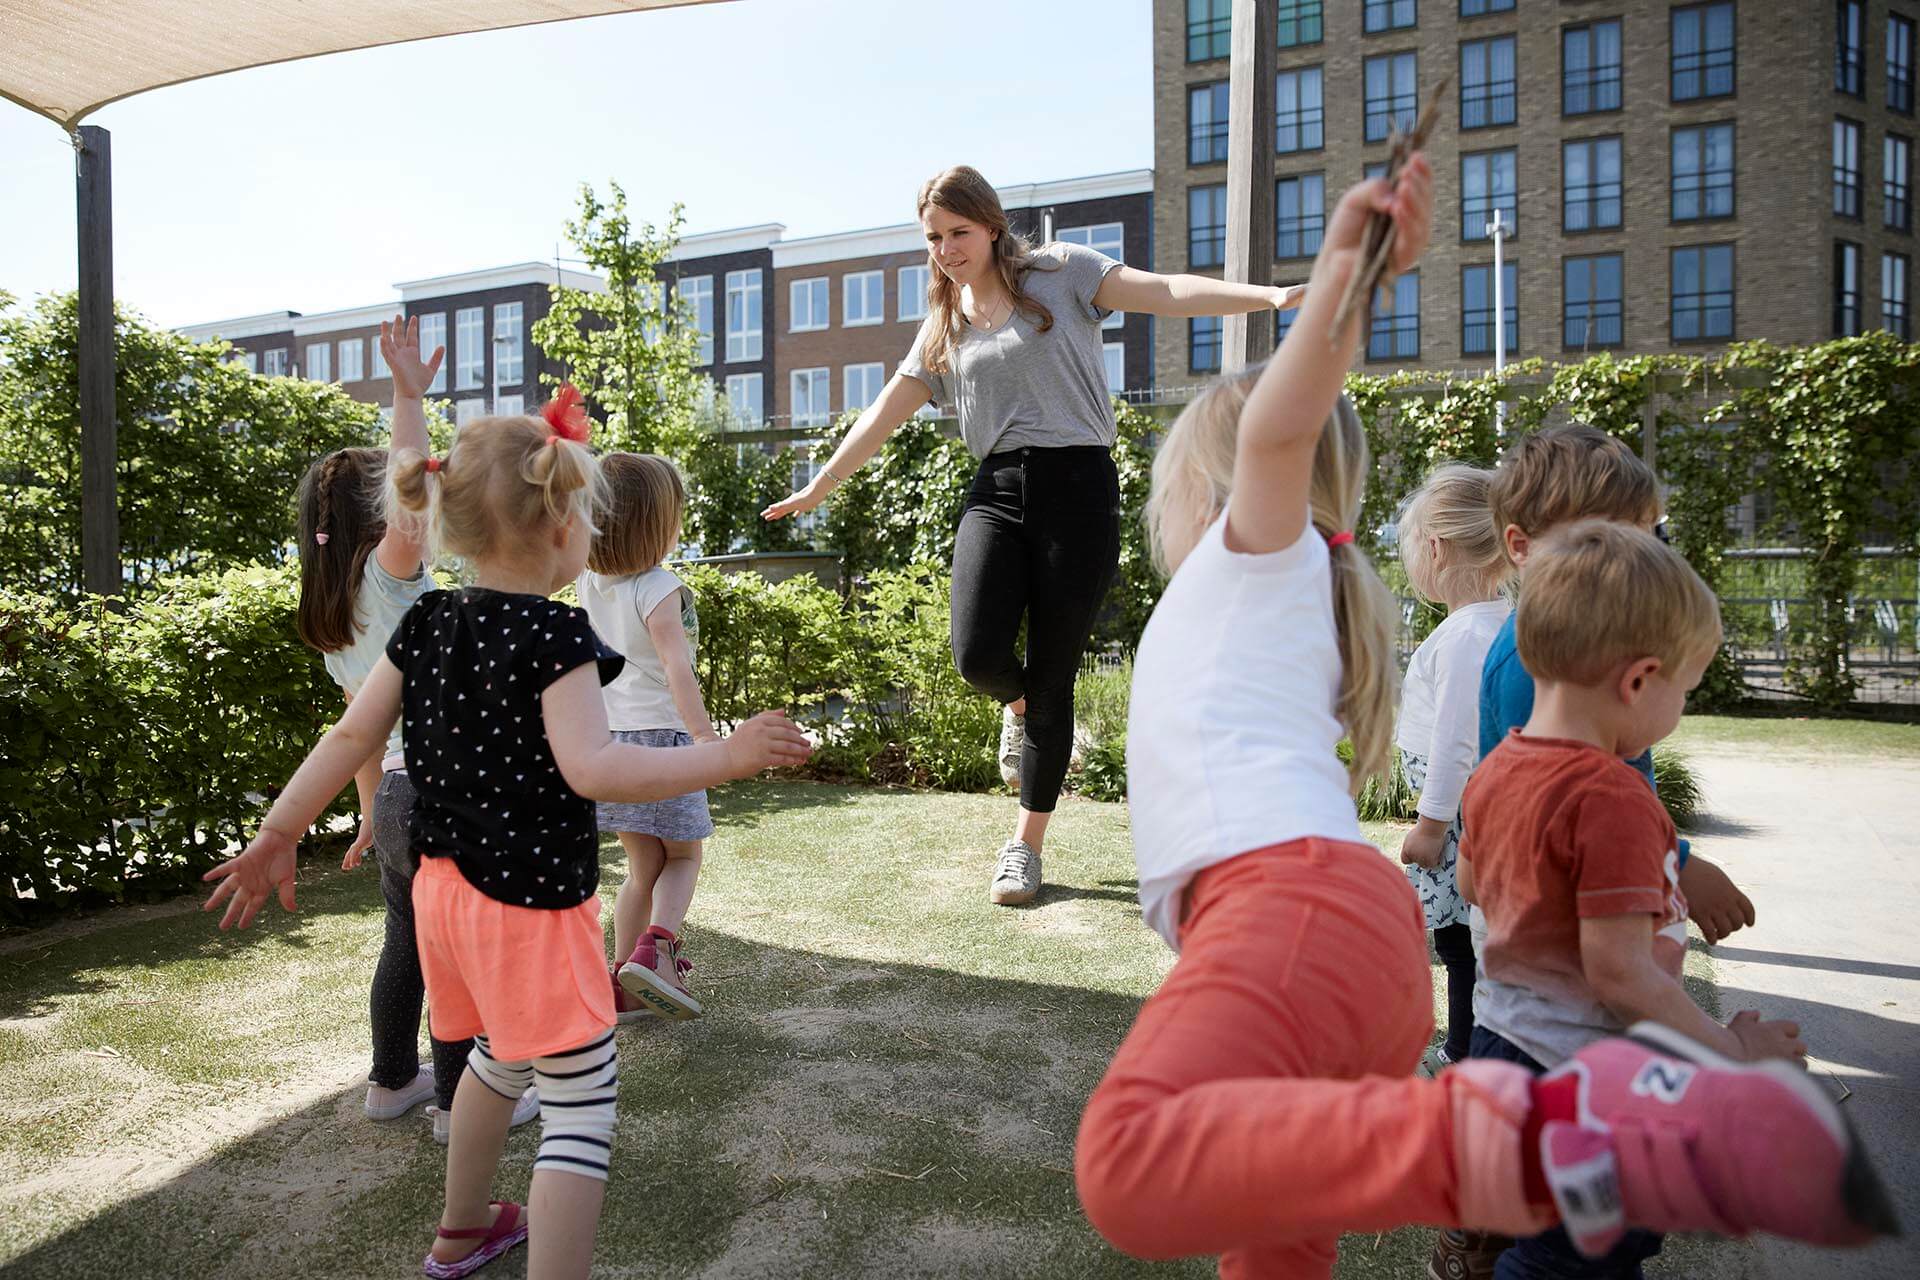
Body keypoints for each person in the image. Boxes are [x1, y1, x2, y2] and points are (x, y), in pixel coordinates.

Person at [1071, 163, 1895, 1280]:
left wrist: (1345, 279)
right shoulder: (1287, 603)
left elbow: (1277, 432)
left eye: (1164, 489)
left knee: (1129, 1165)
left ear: (1212, 499)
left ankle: (1525, 1140)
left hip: (1289, 912)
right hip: (1342, 941)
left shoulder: (1249, 561)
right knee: (1276, 1227)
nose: (1157, 515)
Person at [202, 393, 811, 1280]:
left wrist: (277, 831)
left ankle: (464, 1227)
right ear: (566, 525)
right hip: (528, 903)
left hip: (442, 899)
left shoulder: (423, 620)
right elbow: (595, 768)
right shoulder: (557, 633)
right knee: (581, 1106)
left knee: (495, 1057)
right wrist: (725, 755)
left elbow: (350, 738)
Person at [763, 163, 1305, 906]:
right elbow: (885, 410)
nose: (948, 249)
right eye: (934, 238)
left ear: (990, 225)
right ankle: (1019, 712)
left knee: (1054, 674)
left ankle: (1025, 845)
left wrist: (1270, 296)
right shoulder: (944, 325)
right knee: (977, 654)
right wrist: (821, 484)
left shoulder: (1063, 272)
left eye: (959, 232)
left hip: (1081, 488)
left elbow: (1164, 290)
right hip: (998, 490)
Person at [1459, 520, 1809, 1277]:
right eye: (1685, 688)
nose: (1679, 708)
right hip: (1578, 1081)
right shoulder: (1612, 796)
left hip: (1502, 1051)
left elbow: (1467, 883)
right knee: (1579, 1258)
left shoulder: (1497, 769)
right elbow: (1619, 975)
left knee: (1555, 1239)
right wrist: (1734, 1054)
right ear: (1639, 679)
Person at [291, 316, 534, 1140]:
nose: (429, 503)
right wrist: (405, 397)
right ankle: (456, 1106)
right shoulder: (391, 584)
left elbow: (360, 733)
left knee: (408, 944)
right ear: (381, 519)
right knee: (456, 956)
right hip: (438, 797)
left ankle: (392, 1083)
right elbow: (410, 491)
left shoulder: (340, 616)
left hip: (395, 796)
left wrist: (368, 814)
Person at [578, 453, 716, 1022]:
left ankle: (623, 986)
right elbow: (677, 669)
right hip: (666, 739)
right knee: (684, 856)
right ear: (658, 524)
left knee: (641, 869)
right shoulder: (659, 586)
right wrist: (708, 739)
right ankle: (657, 949)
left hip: (615, 744)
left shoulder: (589, 582)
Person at [1392, 464, 1512, 1077]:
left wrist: (1432, 825)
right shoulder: (1497, 622)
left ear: (1435, 548)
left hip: (1459, 820)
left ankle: (1464, 1053)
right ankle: (1470, 1047)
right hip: (1468, 815)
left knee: (1461, 942)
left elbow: (1457, 746)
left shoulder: (1465, 635)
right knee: (1470, 940)